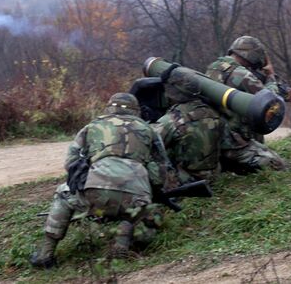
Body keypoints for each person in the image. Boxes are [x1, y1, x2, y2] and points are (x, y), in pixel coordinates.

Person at [29, 93, 180, 269]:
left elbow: (70, 164)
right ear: (136, 110)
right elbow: (162, 169)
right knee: (146, 211)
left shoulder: (92, 126)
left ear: (109, 107)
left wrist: (91, 173)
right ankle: (124, 239)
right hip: (136, 196)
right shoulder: (149, 130)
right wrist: (152, 189)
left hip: (96, 192)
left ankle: (44, 256)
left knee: (63, 194)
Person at [205, 35, 289, 173]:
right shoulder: (242, 75)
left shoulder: (213, 68)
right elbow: (270, 103)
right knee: (278, 165)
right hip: (234, 141)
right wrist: (271, 77)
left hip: (214, 138)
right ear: (253, 55)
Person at [154, 70, 225, 182]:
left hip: (188, 180)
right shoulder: (214, 113)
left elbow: (150, 146)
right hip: (214, 176)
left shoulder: (170, 120)